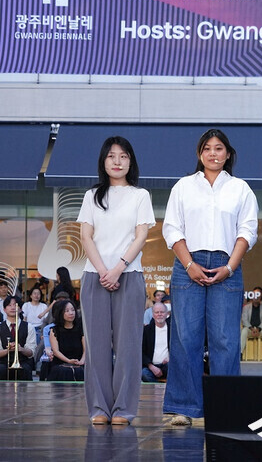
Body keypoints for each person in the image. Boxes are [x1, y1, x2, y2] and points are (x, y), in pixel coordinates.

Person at [163, 128, 258, 426]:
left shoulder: (240, 188)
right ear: (199, 154)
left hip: (227, 265)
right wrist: (189, 264)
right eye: (207, 148)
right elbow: (172, 229)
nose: (213, 153)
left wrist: (229, 267)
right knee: (185, 338)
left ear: (228, 154)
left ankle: (226, 408)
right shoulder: (183, 187)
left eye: (219, 148)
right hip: (187, 264)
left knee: (225, 339)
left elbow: (247, 231)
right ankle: (183, 408)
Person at [78, 136, 155, 425]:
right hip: (94, 276)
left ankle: (123, 409)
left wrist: (118, 268)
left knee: (128, 347)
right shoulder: (92, 196)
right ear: (103, 161)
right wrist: (103, 271)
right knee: (96, 347)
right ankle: (99, 408)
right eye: (111, 156)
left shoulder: (140, 195)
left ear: (130, 161)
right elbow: (85, 236)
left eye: (123, 156)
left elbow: (141, 236)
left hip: (129, 276)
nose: (117, 161)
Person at [47, 300, 85, 381]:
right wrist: (69, 361)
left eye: (73, 310)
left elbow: (86, 350)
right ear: (60, 313)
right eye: (67, 311)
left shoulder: (81, 329)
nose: (71, 313)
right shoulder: (54, 330)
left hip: (79, 362)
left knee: (81, 371)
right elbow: (56, 351)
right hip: (60, 363)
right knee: (64, 372)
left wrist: (82, 361)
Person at [0, 296, 36, 380]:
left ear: (20, 309)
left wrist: (20, 349)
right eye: (9, 305)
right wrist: (8, 350)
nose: (13, 308)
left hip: (22, 361)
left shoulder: (29, 327)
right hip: (3, 362)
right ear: (4, 309)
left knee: (25, 369)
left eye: (15, 305)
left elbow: (31, 353)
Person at [142, 302, 170, 382]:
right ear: (153, 315)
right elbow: (140, 351)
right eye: (157, 312)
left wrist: (171, 357)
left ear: (167, 314)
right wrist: (150, 366)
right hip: (151, 366)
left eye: (162, 312)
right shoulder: (146, 330)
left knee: (176, 369)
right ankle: (157, 389)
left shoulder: (173, 330)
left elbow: (178, 348)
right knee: (144, 373)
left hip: (168, 365)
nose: (159, 314)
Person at [22, 287, 48, 366]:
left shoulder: (44, 306)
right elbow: (24, 319)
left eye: (38, 294)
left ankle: (37, 363)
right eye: (34, 293)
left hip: (40, 329)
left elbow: (46, 320)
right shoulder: (26, 305)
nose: (36, 295)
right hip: (29, 328)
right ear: (31, 295)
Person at [240, 286, 262, 354]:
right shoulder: (246, 307)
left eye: (258, 294)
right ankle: (240, 353)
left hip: (260, 329)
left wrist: (258, 329)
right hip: (250, 329)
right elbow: (244, 320)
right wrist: (252, 328)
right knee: (244, 331)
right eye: (255, 294)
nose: (256, 297)